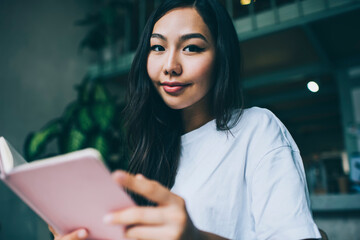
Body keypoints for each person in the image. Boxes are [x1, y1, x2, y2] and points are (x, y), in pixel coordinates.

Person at [50, 0, 322, 239]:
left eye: (191, 48)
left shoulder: (256, 128)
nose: (170, 65)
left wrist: (196, 239)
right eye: (157, 47)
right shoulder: (151, 148)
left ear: (221, 58)